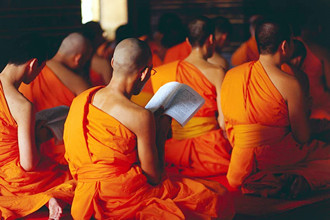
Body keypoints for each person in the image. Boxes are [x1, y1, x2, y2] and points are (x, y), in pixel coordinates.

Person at [64, 38, 234, 219]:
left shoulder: (80, 100)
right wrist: (160, 133)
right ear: (144, 73)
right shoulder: (140, 116)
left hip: (84, 199)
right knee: (215, 195)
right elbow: (153, 178)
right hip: (123, 196)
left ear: (113, 62)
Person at [221, 19, 330, 198]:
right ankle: (298, 178)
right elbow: (302, 137)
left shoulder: (231, 75)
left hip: (238, 166)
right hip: (275, 158)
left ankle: (277, 179)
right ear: (285, 46)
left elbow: (229, 127)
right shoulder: (290, 83)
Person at [0, 33, 74, 219]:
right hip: (13, 178)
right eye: (40, 69)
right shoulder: (22, 105)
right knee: (73, 178)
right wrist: (36, 137)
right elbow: (29, 164)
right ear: (33, 64)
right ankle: (49, 197)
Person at [151, 16, 232, 177]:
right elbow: (224, 121)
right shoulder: (217, 72)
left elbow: (159, 121)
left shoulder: (164, 72)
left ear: (187, 41)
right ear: (211, 39)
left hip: (174, 152)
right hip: (210, 151)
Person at [19, 32, 92, 164]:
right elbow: (93, 118)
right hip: (64, 153)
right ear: (78, 58)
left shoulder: (28, 73)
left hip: (26, 149)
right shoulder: (78, 82)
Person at [81, 21, 112, 86]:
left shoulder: (77, 59)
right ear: (95, 37)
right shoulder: (102, 63)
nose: (103, 38)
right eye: (101, 34)